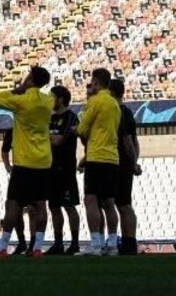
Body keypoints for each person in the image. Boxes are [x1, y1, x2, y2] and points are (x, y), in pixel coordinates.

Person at [0, 66, 55, 258]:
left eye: (27, 77)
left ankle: (2, 247)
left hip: (24, 160)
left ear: (31, 80)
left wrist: (17, 89)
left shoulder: (21, 101)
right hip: (43, 159)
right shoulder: (48, 101)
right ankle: (37, 248)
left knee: (13, 204)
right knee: (41, 204)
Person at [76, 68, 121, 256]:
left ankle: (95, 243)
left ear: (96, 83)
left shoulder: (95, 101)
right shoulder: (114, 104)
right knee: (109, 202)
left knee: (90, 199)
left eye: (92, 83)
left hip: (96, 157)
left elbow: (82, 129)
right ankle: (112, 244)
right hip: (112, 157)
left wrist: (76, 129)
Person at [46, 85, 81, 255]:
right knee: (53, 206)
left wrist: (50, 138)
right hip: (50, 168)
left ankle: (74, 243)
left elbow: (58, 140)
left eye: (52, 97)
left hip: (66, 168)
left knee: (69, 205)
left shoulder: (71, 117)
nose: (49, 100)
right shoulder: (48, 118)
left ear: (60, 99)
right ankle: (58, 243)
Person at [110, 78, 141, 255]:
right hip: (124, 164)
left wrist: (132, 162)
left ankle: (120, 242)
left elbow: (127, 140)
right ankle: (129, 241)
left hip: (116, 163)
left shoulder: (117, 112)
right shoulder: (127, 112)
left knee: (117, 204)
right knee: (124, 204)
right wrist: (134, 162)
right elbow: (135, 142)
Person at [0, 129, 29, 254]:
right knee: (13, 206)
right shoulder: (12, 131)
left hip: (36, 169)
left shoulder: (35, 127)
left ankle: (35, 244)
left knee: (35, 207)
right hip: (19, 171)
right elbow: (5, 149)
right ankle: (22, 242)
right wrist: (7, 165)